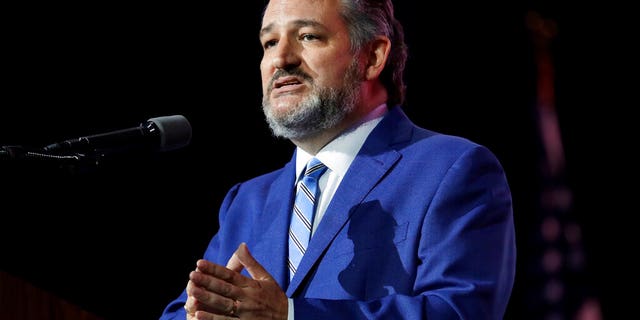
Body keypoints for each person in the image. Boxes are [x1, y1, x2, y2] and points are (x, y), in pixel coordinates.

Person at [160, 0, 516, 319]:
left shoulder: (452, 169)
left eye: (309, 36)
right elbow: (184, 310)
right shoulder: (247, 201)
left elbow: (459, 311)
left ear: (373, 56)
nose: (281, 59)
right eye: (269, 43)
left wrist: (291, 315)